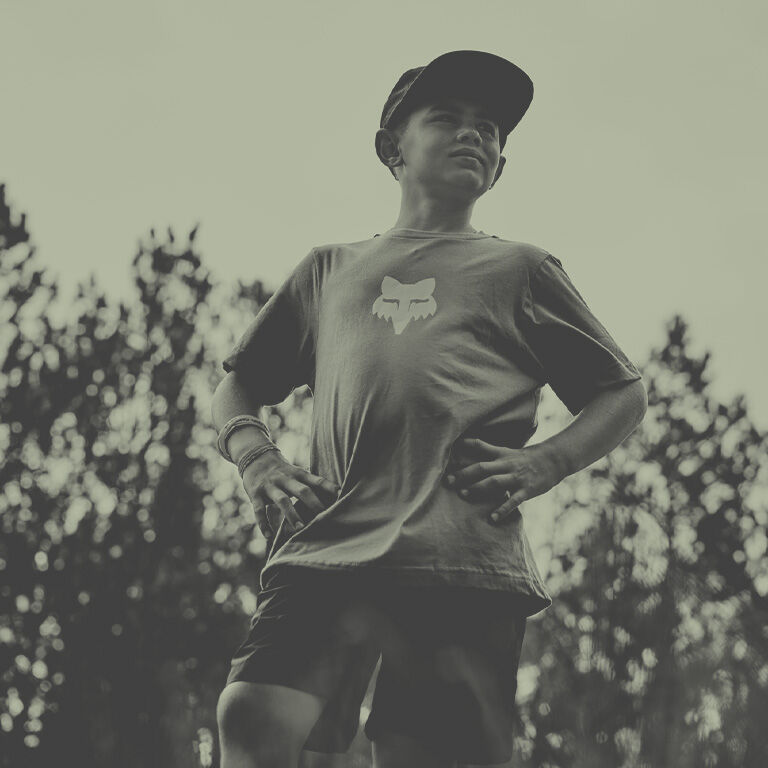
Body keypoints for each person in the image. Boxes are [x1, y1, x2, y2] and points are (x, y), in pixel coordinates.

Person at [212, 50, 648, 768]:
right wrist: (256, 458)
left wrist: (546, 463)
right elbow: (237, 384)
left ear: (500, 168)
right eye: (447, 118)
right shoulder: (328, 270)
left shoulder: (522, 270)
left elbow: (623, 391)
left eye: (490, 129)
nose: (474, 134)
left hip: (460, 560)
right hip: (327, 544)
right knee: (254, 713)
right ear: (392, 147)